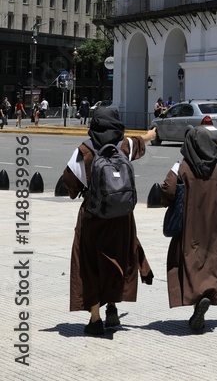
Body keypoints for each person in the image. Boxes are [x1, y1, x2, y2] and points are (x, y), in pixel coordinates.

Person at [61, 106, 156, 336]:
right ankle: (112, 306)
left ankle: (95, 320)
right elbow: (139, 142)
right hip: (122, 219)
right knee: (117, 260)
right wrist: (152, 134)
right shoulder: (124, 146)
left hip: (93, 219)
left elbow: (69, 182)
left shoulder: (84, 150)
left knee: (90, 264)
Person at [159, 125, 217, 332]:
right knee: (210, 262)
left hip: (188, 226)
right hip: (214, 225)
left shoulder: (181, 166)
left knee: (189, 263)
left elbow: (167, 190)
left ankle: (197, 302)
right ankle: (204, 301)